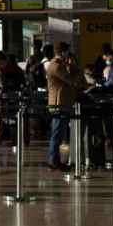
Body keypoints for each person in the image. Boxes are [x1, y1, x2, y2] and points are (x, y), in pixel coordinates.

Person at [47, 42, 82, 170]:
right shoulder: (56, 66)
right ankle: (53, 162)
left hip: (61, 102)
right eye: (67, 51)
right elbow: (72, 81)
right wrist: (75, 66)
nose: (69, 54)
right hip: (59, 103)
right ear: (62, 52)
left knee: (58, 133)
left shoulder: (59, 64)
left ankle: (55, 161)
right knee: (56, 134)